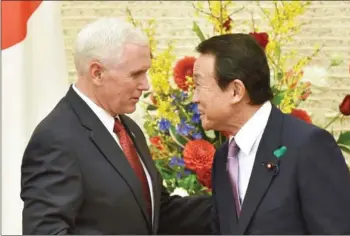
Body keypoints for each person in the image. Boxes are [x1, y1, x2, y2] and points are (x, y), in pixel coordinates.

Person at [20, 17, 212, 235]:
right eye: (136, 74)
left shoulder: (127, 127)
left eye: (146, 72)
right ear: (97, 73)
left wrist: (236, 206)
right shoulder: (56, 138)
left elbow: (157, 212)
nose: (145, 85)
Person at [192, 33, 350, 235]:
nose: (194, 98)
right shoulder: (223, 158)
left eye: (199, 85)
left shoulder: (308, 146)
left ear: (236, 91)